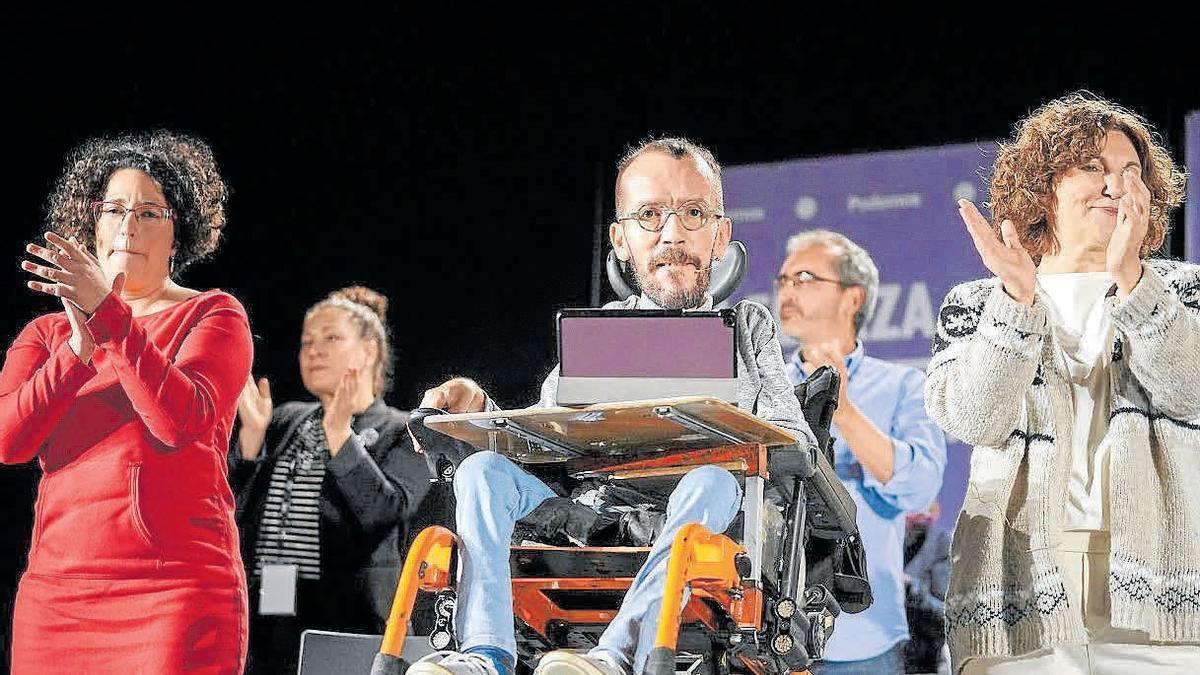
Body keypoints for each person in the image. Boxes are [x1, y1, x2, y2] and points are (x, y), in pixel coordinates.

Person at [406, 137, 818, 675]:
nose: (673, 234)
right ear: (620, 240)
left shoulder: (746, 329)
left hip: (704, 520)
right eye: (650, 215)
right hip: (599, 519)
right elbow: (543, 438)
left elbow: (798, 443)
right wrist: (479, 407)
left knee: (712, 481)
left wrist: (723, 430)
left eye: (693, 213)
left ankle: (614, 656)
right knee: (482, 472)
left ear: (720, 236)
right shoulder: (598, 334)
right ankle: (485, 655)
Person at [925, 92, 1199, 673]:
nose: (1115, 185)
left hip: (1160, 598)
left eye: (1130, 172)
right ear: (1044, 187)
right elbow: (977, 419)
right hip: (1016, 596)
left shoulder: (1184, 291)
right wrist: (1017, 304)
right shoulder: (979, 303)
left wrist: (1132, 282)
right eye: (1094, 167)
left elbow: (1190, 389)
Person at [0, 131, 251, 673]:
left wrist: (109, 317)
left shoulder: (213, 315)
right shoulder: (45, 333)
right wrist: (76, 349)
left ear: (178, 230)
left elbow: (178, 423)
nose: (128, 225)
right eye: (113, 209)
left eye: (149, 212)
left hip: (173, 593)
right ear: (92, 224)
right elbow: (9, 443)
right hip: (56, 597)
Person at [229, 286, 432, 674]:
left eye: (331, 338)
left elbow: (384, 513)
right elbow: (234, 509)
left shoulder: (403, 431)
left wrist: (341, 435)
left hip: (348, 614)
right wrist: (250, 444)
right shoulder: (287, 418)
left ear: (369, 350)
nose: (314, 351)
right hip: (270, 600)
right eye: (307, 342)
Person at [775, 230, 946, 673]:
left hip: (863, 636)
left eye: (805, 278)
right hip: (764, 631)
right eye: (783, 280)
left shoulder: (903, 387)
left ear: (853, 299)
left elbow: (919, 488)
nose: (787, 290)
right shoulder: (765, 387)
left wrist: (845, 411)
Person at [901, 502, 951, 674]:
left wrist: (910, 587)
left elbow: (943, 611)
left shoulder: (941, 542)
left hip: (926, 660)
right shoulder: (888, 542)